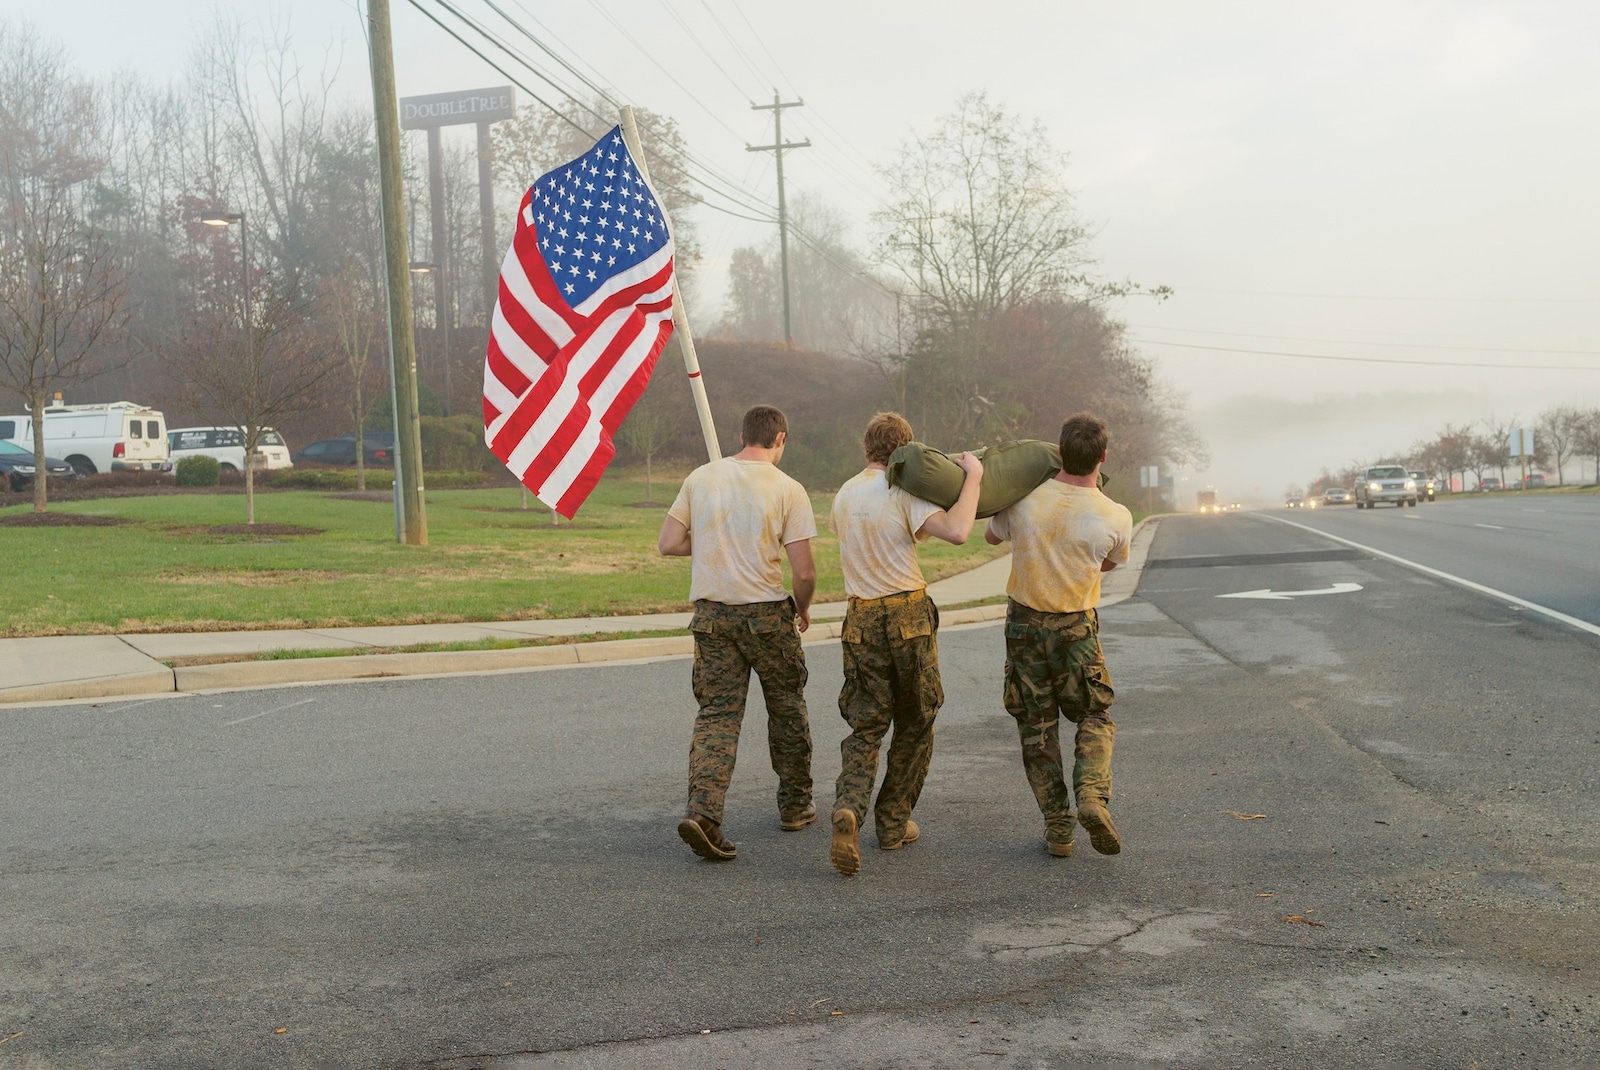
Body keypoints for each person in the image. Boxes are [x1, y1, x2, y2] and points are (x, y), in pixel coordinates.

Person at [659, 405, 818, 862]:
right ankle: (794, 805)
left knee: (717, 715)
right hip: (767, 616)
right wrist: (802, 608)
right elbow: (803, 572)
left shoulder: (701, 478)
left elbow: (668, 542)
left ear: (743, 434)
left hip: (712, 616)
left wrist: (711, 540)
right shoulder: (789, 489)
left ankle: (704, 812)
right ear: (780, 439)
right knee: (786, 709)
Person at [827, 413, 984, 876]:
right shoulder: (902, 490)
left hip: (860, 616)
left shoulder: (843, 495)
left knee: (866, 725)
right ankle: (893, 823)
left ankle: (850, 807)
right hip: (907, 615)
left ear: (866, 449)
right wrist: (972, 478)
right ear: (906, 452)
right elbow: (957, 532)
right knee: (917, 719)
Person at [984, 412, 1132, 858]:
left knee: (1036, 727)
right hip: (1077, 629)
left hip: (1023, 626)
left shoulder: (1025, 499)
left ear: (1059, 451)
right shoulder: (1115, 514)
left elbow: (992, 537)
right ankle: (1091, 795)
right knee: (1094, 716)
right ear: (1102, 458)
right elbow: (1108, 562)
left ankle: (1058, 829)